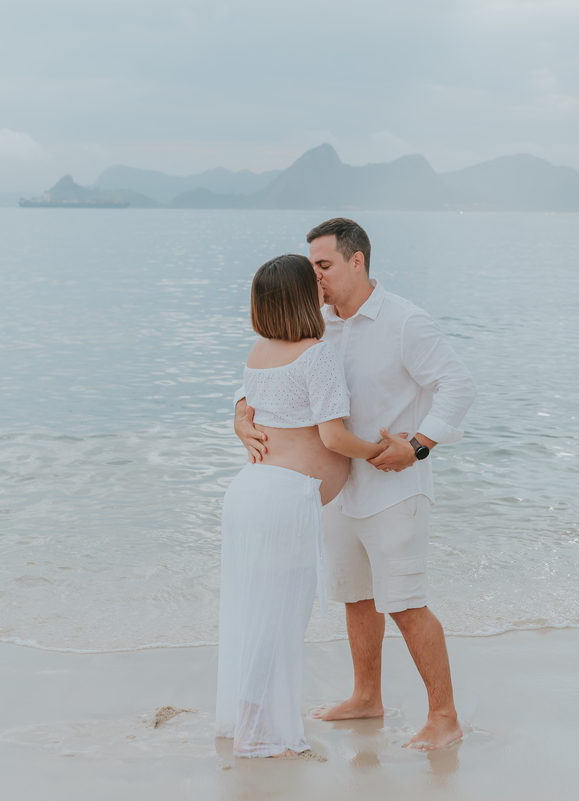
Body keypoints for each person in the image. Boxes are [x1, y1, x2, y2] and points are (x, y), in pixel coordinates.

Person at [235, 218, 476, 751]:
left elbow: (458, 384)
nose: (315, 278)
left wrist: (418, 445)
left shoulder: (405, 322)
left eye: (323, 266)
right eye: (312, 267)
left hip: (396, 488)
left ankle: (445, 717)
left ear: (357, 261)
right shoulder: (315, 322)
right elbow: (268, 377)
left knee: (406, 604)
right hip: (335, 491)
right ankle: (366, 697)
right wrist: (239, 414)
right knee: (356, 598)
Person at [215, 253, 388, 759]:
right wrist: (383, 451)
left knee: (257, 613)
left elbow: (251, 405)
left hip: (251, 492)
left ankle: (250, 722)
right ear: (299, 295)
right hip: (283, 501)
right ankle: (259, 733)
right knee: (280, 617)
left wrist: (237, 418)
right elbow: (334, 437)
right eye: (314, 281)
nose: (322, 286)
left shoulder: (258, 352)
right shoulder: (316, 355)